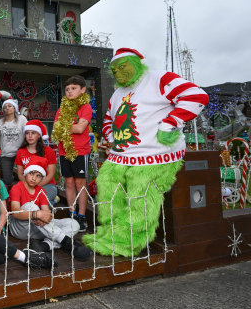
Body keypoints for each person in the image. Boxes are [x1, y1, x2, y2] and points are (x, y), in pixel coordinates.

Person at [83, 48, 208, 257]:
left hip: (155, 155)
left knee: (139, 192)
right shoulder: (117, 93)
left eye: (122, 67)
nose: (117, 73)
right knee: (105, 185)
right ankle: (109, 233)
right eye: (114, 70)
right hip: (122, 155)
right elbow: (108, 120)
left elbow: (197, 96)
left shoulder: (160, 78)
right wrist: (112, 139)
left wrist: (170, 123)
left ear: (136, 62)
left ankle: (127, 242)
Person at [9, 155, 91, 261]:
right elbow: (16, 212)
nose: (34, 178)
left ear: (42, 178)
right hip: (19, 227)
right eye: (31, 173)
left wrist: (43, 216)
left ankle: (45, 246)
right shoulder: (17, 187)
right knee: (31, 206)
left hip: (38, 228)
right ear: (25, 173)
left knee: (73, 224)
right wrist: (37, 214)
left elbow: (46, 213)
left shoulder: (41, 191)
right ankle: (67, 243)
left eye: (38, 176)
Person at [51, 75, 92, 232]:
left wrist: (63, 126)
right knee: (68, 182)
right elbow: (55, 129)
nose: (69, 91)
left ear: (82, 90)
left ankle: (81, 216)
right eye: (67, 89)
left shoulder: (85, 108)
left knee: (80, 183)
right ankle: (71, 212)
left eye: (73, 88)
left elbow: (80, 129)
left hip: (80, 151)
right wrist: (70, 126)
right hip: (64, 150)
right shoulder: (62, 109)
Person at [15, 120, 59, 205]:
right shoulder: (21, 152)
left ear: (39, 135)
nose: (30, 136)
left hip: (46, 184)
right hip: (27, 184)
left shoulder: (49, 151)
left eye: (33, 133)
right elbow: (20, 174)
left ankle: (50, 203)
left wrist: (37, 186)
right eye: (27, 133)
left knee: (38, 200)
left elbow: (51, 174)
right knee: (21, 200)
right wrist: (29, 186)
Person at [0, 99, 27, 187]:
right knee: (7, 179)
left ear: (14, 108)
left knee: (25, 176)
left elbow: (27, 133)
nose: (7, 109)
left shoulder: (22, 119)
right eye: (5, 107)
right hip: (6, 153)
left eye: (9, 106)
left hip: (20, 153)